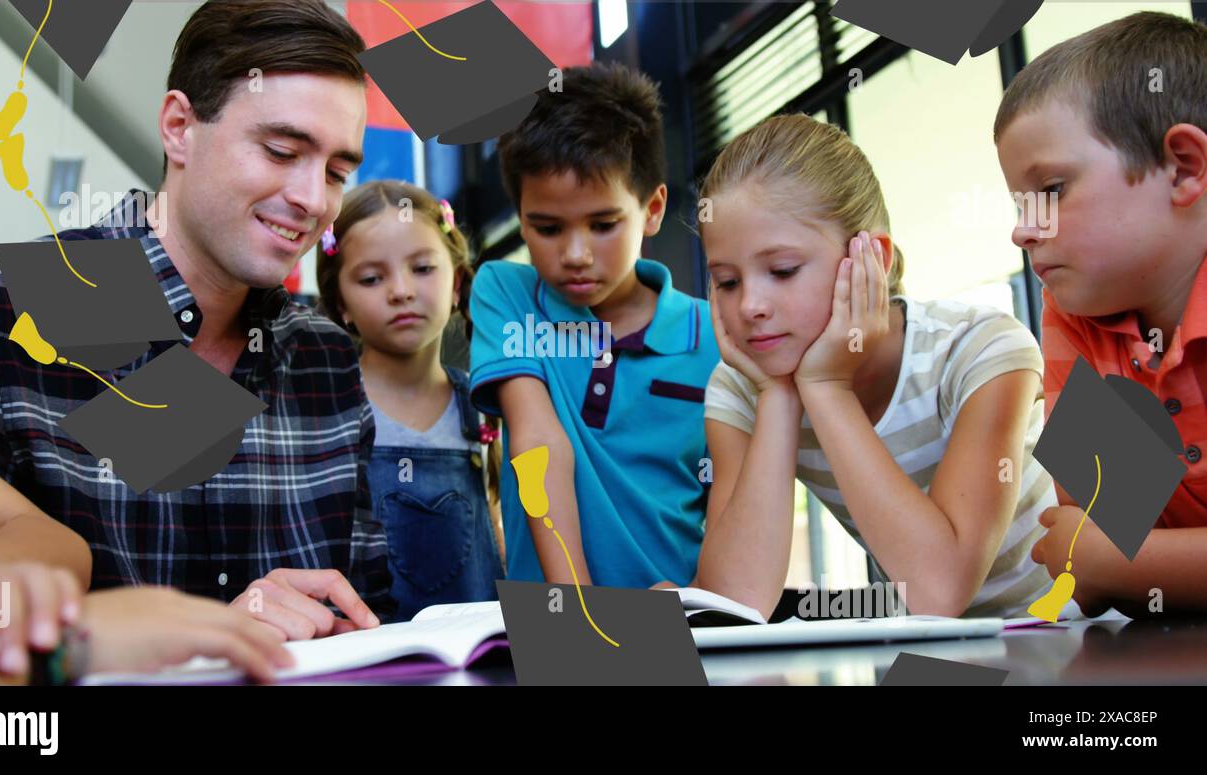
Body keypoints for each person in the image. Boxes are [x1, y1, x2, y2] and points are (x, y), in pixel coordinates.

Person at [0, 0, 392, 640]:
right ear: (178, 127)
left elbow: (368, 615)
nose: (311, 198)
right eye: (280, 151)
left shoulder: (326, 359)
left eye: (336, 172)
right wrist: (208, 635)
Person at [697, 113, 1055, 620]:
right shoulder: (743, 390)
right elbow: (733, 604)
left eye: (782, 271)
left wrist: (826, 386)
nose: (750, 305)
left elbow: (939, 592)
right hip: (939, 654)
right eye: (727, 281)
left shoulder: (980, 349)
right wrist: (778, 397)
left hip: (1093, 633)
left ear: (871, 259)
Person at [469, 63, 719, 588]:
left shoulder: (715, 334)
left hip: (685, 625)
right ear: (520, 216)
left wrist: (708, 602)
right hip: (559, 626)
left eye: (604, 225)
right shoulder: (506, 294)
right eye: (547, 228)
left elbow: (736, 495)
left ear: (652, 209)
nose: (575, 254)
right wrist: (578, 612)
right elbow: (538, 443)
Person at [995, 11, 1207, 616]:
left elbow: (1103, 559)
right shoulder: (1075, 313)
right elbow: (1090, 563)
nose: (1021, 231)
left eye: (1052, 190)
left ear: (1184, 167)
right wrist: (1116, 562)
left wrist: (1119, 560)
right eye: (1019, 203)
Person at [316, 181, 503, 622]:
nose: (400, 290)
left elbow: (499, 534)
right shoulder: (326, 408)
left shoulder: (486, 405)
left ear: (457, 282)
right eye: (371, 278)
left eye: (422, 268)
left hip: (478, 659)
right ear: (341, 302)